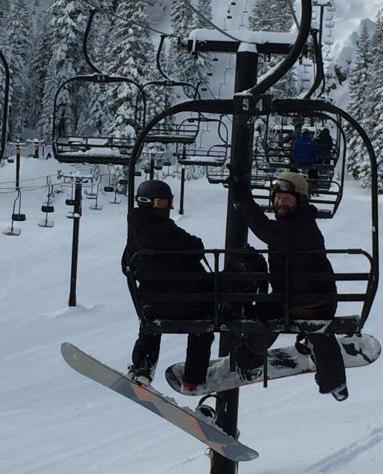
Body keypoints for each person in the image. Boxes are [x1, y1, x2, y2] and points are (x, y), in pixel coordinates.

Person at [228, 170, 348, 401]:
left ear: (300, 201)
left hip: (300, 302)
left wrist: (243, 199)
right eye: (278, 198)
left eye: (287, 198)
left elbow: (265, 230)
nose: (281, 203)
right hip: (313, 300)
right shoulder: (298, 224)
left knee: (264, 317)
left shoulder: (299, 227)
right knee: (308, 324)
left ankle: (248, 361)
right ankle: (334, 380)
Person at [123, 180, 214, 391]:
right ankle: (193, 379)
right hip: (190, 304)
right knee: (204, 325)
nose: (168, 207)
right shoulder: (163, 229)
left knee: (151, 323)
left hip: (153, 303)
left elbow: (126, 264)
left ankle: (142, 367)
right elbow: (196, 248)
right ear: (153, 203)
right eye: (164, 202)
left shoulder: (135, 231)